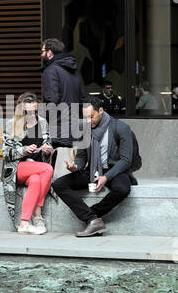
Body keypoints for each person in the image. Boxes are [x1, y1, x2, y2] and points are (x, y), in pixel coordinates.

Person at [52, 97, 138, 237]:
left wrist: (106, 177)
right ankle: (92, 220)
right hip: (92, 170)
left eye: (91, 117)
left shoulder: (121, 127)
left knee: (122, 189)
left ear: (101, 111)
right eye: (85, 117)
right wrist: (75, 167)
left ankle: (93, 213)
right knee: (59, 184)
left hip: (115, 170)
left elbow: (125, 160)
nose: (88, 121)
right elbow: (81, 156)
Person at [1, 93, 56, 234]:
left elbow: (48, 142)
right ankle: (37, 214)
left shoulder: (42, 122)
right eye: (28, 111)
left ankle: (24, 223)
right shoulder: (11, 124)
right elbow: (6, 152)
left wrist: (46, 149)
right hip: (16, 168)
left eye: (34, 111)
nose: (32, 114)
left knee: (36, 180)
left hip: (35, 167)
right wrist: (24, 150)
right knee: (47, 169)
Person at [40, 38, 84, 137]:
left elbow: (52, 99)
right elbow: (82, 97)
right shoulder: (74, 70)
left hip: (59, 127)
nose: (41, 55)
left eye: (43, 51)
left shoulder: (50, 70)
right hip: (75, 125)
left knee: (58, 152)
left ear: (49, 52)